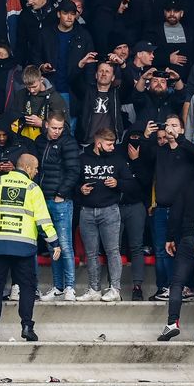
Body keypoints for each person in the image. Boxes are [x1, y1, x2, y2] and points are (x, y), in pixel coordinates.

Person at [0, 153, 60, 342]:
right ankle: (27, 327)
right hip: (23, 246)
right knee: (27, 287)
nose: (36, 172)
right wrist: (54, 243)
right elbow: (43, 221)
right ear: (27, 168)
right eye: (35, 169)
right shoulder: (33, 188)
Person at [75, 127, 136, 303]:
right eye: (108, 144)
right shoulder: (83, 159)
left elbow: (131, 184)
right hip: (86, 211)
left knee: (112, 251)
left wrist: (118, 183)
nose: (112, 147)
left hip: (110, 210)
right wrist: (80, 189)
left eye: (113, 143)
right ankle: (94, 289)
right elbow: (73, 183)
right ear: (98, 142)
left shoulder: (118, 159)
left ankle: (115, 289)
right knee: (91, 253)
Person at [34, 113, 79, 302]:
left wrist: (61, 193)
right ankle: (58, 286)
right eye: (53, 128)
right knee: (53, 245)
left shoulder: (68, 143)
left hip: (61, 201)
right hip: (43, 199)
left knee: (65, 245)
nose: (57, 132)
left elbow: (74, 171)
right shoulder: (39, 140)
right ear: (46, 125)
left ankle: (70, 287)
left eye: (60, 128)